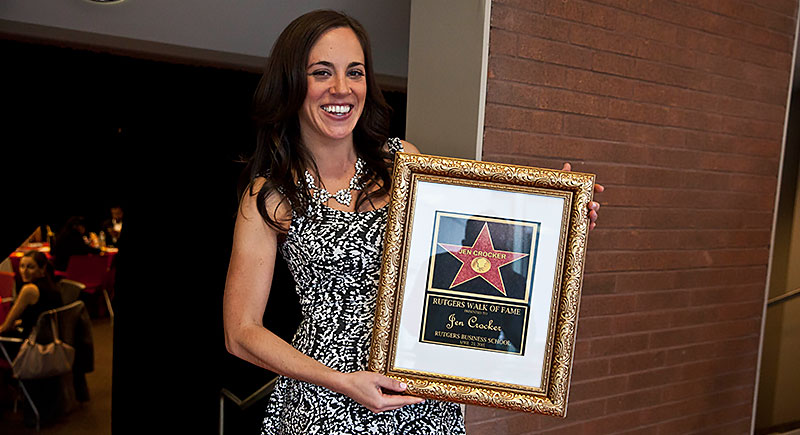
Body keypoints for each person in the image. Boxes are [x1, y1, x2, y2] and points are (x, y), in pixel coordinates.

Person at [223, 10, 602, 435]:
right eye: (321, 72)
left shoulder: (402, 161)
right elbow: (240, 333)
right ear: (292, 82)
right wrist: (341, 381)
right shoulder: (268, 194)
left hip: (418, 396)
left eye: (355, 72)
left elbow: (464, 254)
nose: (342, 89)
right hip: (322, 402)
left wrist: (560, 224)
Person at [0, 251, 63, 342]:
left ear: (42, 268)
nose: (24, 271)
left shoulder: (29, 290)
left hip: (32, 343)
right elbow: (37, 317)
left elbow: (6, 327)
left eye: (30, 267)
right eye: (22, 266)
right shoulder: (53, 285)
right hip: (51, 338)